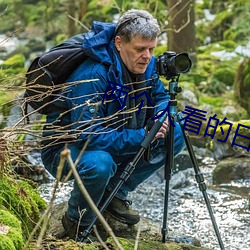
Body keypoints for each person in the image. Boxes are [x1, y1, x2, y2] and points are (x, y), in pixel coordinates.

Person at [41, 9, 185, 241]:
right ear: (119, 43)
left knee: (175, 133)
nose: (147, 56)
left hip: (116, 135)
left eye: (152, 49)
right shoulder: (92, 75)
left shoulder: (145, 65)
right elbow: (87, 136)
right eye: (140, 49)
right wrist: (142, 135)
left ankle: (115, 193)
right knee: (100, 164)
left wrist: (162, 114)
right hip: (66, 150)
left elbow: (160, 97)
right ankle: (76, 221)